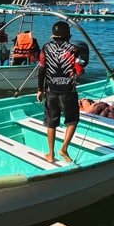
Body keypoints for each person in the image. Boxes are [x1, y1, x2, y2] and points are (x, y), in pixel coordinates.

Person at [37, 21, 84, 163]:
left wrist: (40, 90)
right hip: (68, 91)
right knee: (72, 121)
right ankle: (64, 148)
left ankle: (50, 155)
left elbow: (41, 70)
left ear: (53, 36)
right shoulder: (74, 49)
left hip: (50, 90)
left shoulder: (46, 48)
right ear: (69, 36)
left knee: (51, 123)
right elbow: (79, 71)